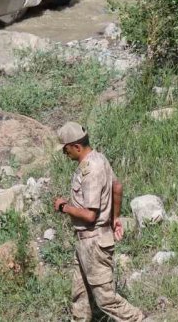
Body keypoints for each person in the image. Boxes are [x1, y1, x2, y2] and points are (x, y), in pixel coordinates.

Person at [54, 122, 143, 322]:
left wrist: (64, 207)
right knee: (80, 295)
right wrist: (115, 217)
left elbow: (90, 215)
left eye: (65, 149)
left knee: (106, 300)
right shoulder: (99, 159)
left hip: (93, 242)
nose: (64, 153)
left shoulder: (90, 170)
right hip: (86, 241)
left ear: (77, 146)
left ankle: (139, 319)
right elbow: (117, 187)